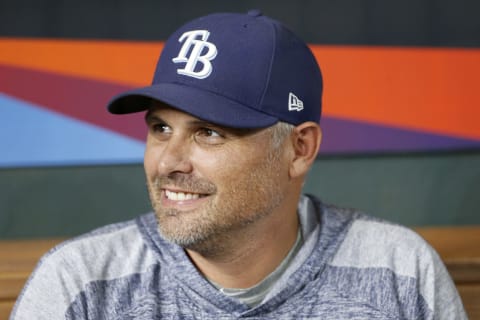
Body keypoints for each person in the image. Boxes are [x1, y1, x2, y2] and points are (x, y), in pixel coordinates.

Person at [11, 10, 466, 320]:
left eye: (209, 132)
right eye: (160, 128)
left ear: (299, 149)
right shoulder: (82, 283)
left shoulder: (399, 270)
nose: (168, 160)